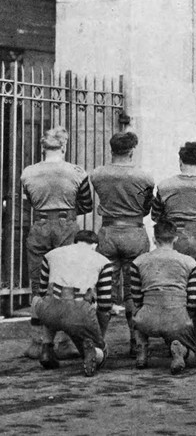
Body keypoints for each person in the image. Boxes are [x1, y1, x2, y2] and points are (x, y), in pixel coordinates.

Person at [20, 126, 93, 359]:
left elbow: (28, 203)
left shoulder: (28, 172)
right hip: (66, 225)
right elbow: (87, 204)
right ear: (64, 146)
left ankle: (38, 342)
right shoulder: (76, 172)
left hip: (40, 224)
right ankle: (63, 342)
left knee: (38, 285)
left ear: (43, 147)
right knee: (66, 282)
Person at [150, 141, 196, 357]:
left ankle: (175, 339)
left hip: (175, 237)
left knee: (174, 285)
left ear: (180, 160)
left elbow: (156, 216)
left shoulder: (165, 185)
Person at [89, 131, 155, 357]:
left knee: (105, 288)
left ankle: (98, 343)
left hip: (108, 231)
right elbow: (146, 208)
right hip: (134, 231)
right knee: (134, 290)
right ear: (132, 151)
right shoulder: (144, 177)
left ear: (111, 150)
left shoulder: (98, 174)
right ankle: (136, 342)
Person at [35, 230, 114, 377]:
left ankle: (47, 347)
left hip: (48, 311)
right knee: (101, 352)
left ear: (75, 241)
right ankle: (95, 350)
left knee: (46, 297)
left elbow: (42, 290)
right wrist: (99, 337)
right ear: (94, 245)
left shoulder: (51, 254)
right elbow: (105, 305)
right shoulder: (104, 261)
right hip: (79, 312)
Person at [129, 221, 196, 375]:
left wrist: (141, 310)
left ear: (154, 239)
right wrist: (187, 318)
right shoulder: (190, 262)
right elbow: (193, 300)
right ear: (175, 239)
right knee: (193, 358)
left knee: (137, 312)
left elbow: (136, 297)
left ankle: (142, 351)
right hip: (177, 318)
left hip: (147, 320)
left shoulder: (138, 262)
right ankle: (181, 350)